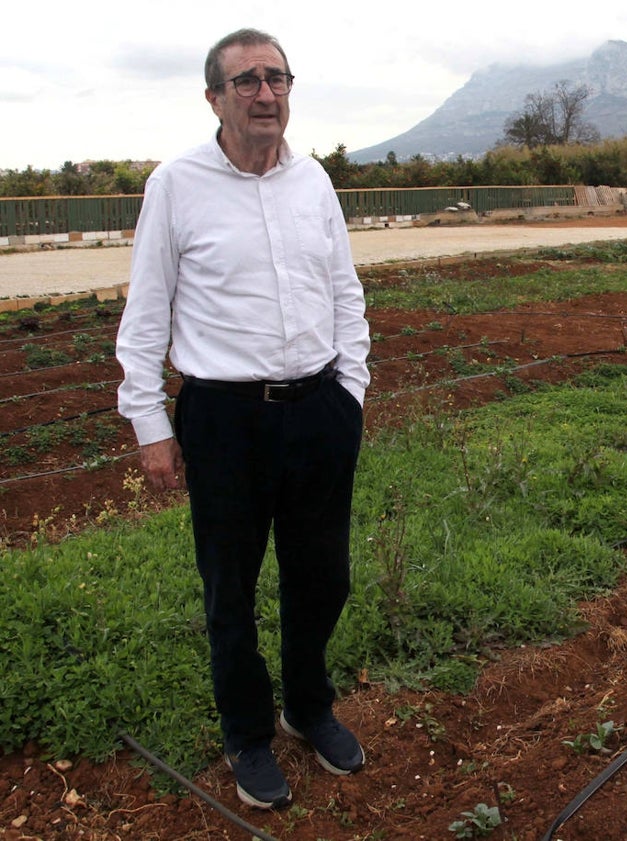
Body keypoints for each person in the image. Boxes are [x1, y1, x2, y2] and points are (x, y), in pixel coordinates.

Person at [116, 27, 370, 810]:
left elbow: (344, 291)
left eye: (278, 79)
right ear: (215, 98)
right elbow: (146, 310)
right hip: (225, 417)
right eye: (248, 81)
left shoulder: (313, 180)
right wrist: (151, 423)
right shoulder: (176, 184)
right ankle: (247, 733)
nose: (266, 94)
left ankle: (308, 706)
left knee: (321, 573)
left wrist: (349, 388)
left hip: (319, 407)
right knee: (230, 585)